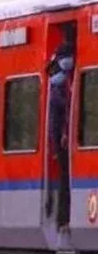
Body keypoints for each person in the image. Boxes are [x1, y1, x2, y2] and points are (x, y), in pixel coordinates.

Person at [48, 41, 75, 229]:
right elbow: (65, 111)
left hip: (59, 135)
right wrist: (63, 134)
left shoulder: (58, 79)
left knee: (65, 177)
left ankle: (62, 216)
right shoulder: (59, 84)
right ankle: (62, 217)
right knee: (64, 177)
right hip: (60, 136)